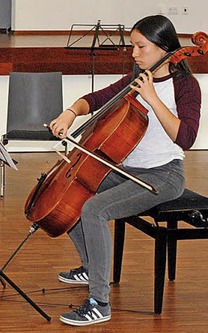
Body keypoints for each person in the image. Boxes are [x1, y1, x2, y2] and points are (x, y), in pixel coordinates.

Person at [48, 15, 201, 326]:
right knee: (75, 189)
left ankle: (99, 302)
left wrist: (153, 99)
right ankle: (92, 266)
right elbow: (94, 99)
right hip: (129, 170)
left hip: (164, 175)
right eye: (133, 46)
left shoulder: (186, 86)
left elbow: (185, 138)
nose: (134, 53)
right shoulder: (137, 77)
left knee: (94, 210)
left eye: (140, 46)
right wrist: (68, 114)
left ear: (163, 48)